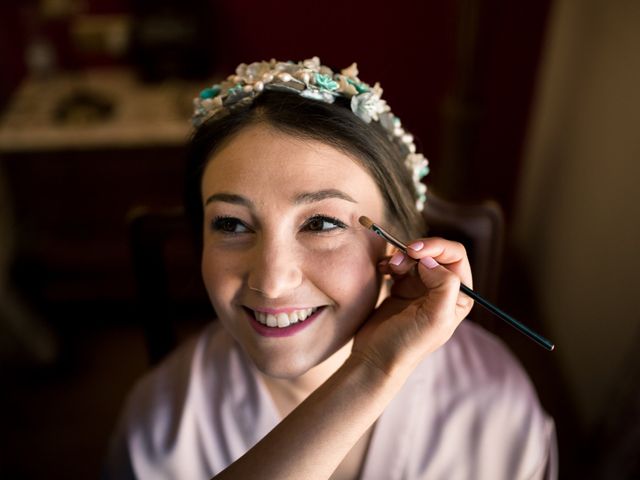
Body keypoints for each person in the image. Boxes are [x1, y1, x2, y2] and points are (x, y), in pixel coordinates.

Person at [104, 57, 557, 479]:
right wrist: (370, 372)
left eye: (321, 223)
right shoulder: (162, 430)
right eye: (231, 223)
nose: (272, 281)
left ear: (399, 245)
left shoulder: (496, 411)